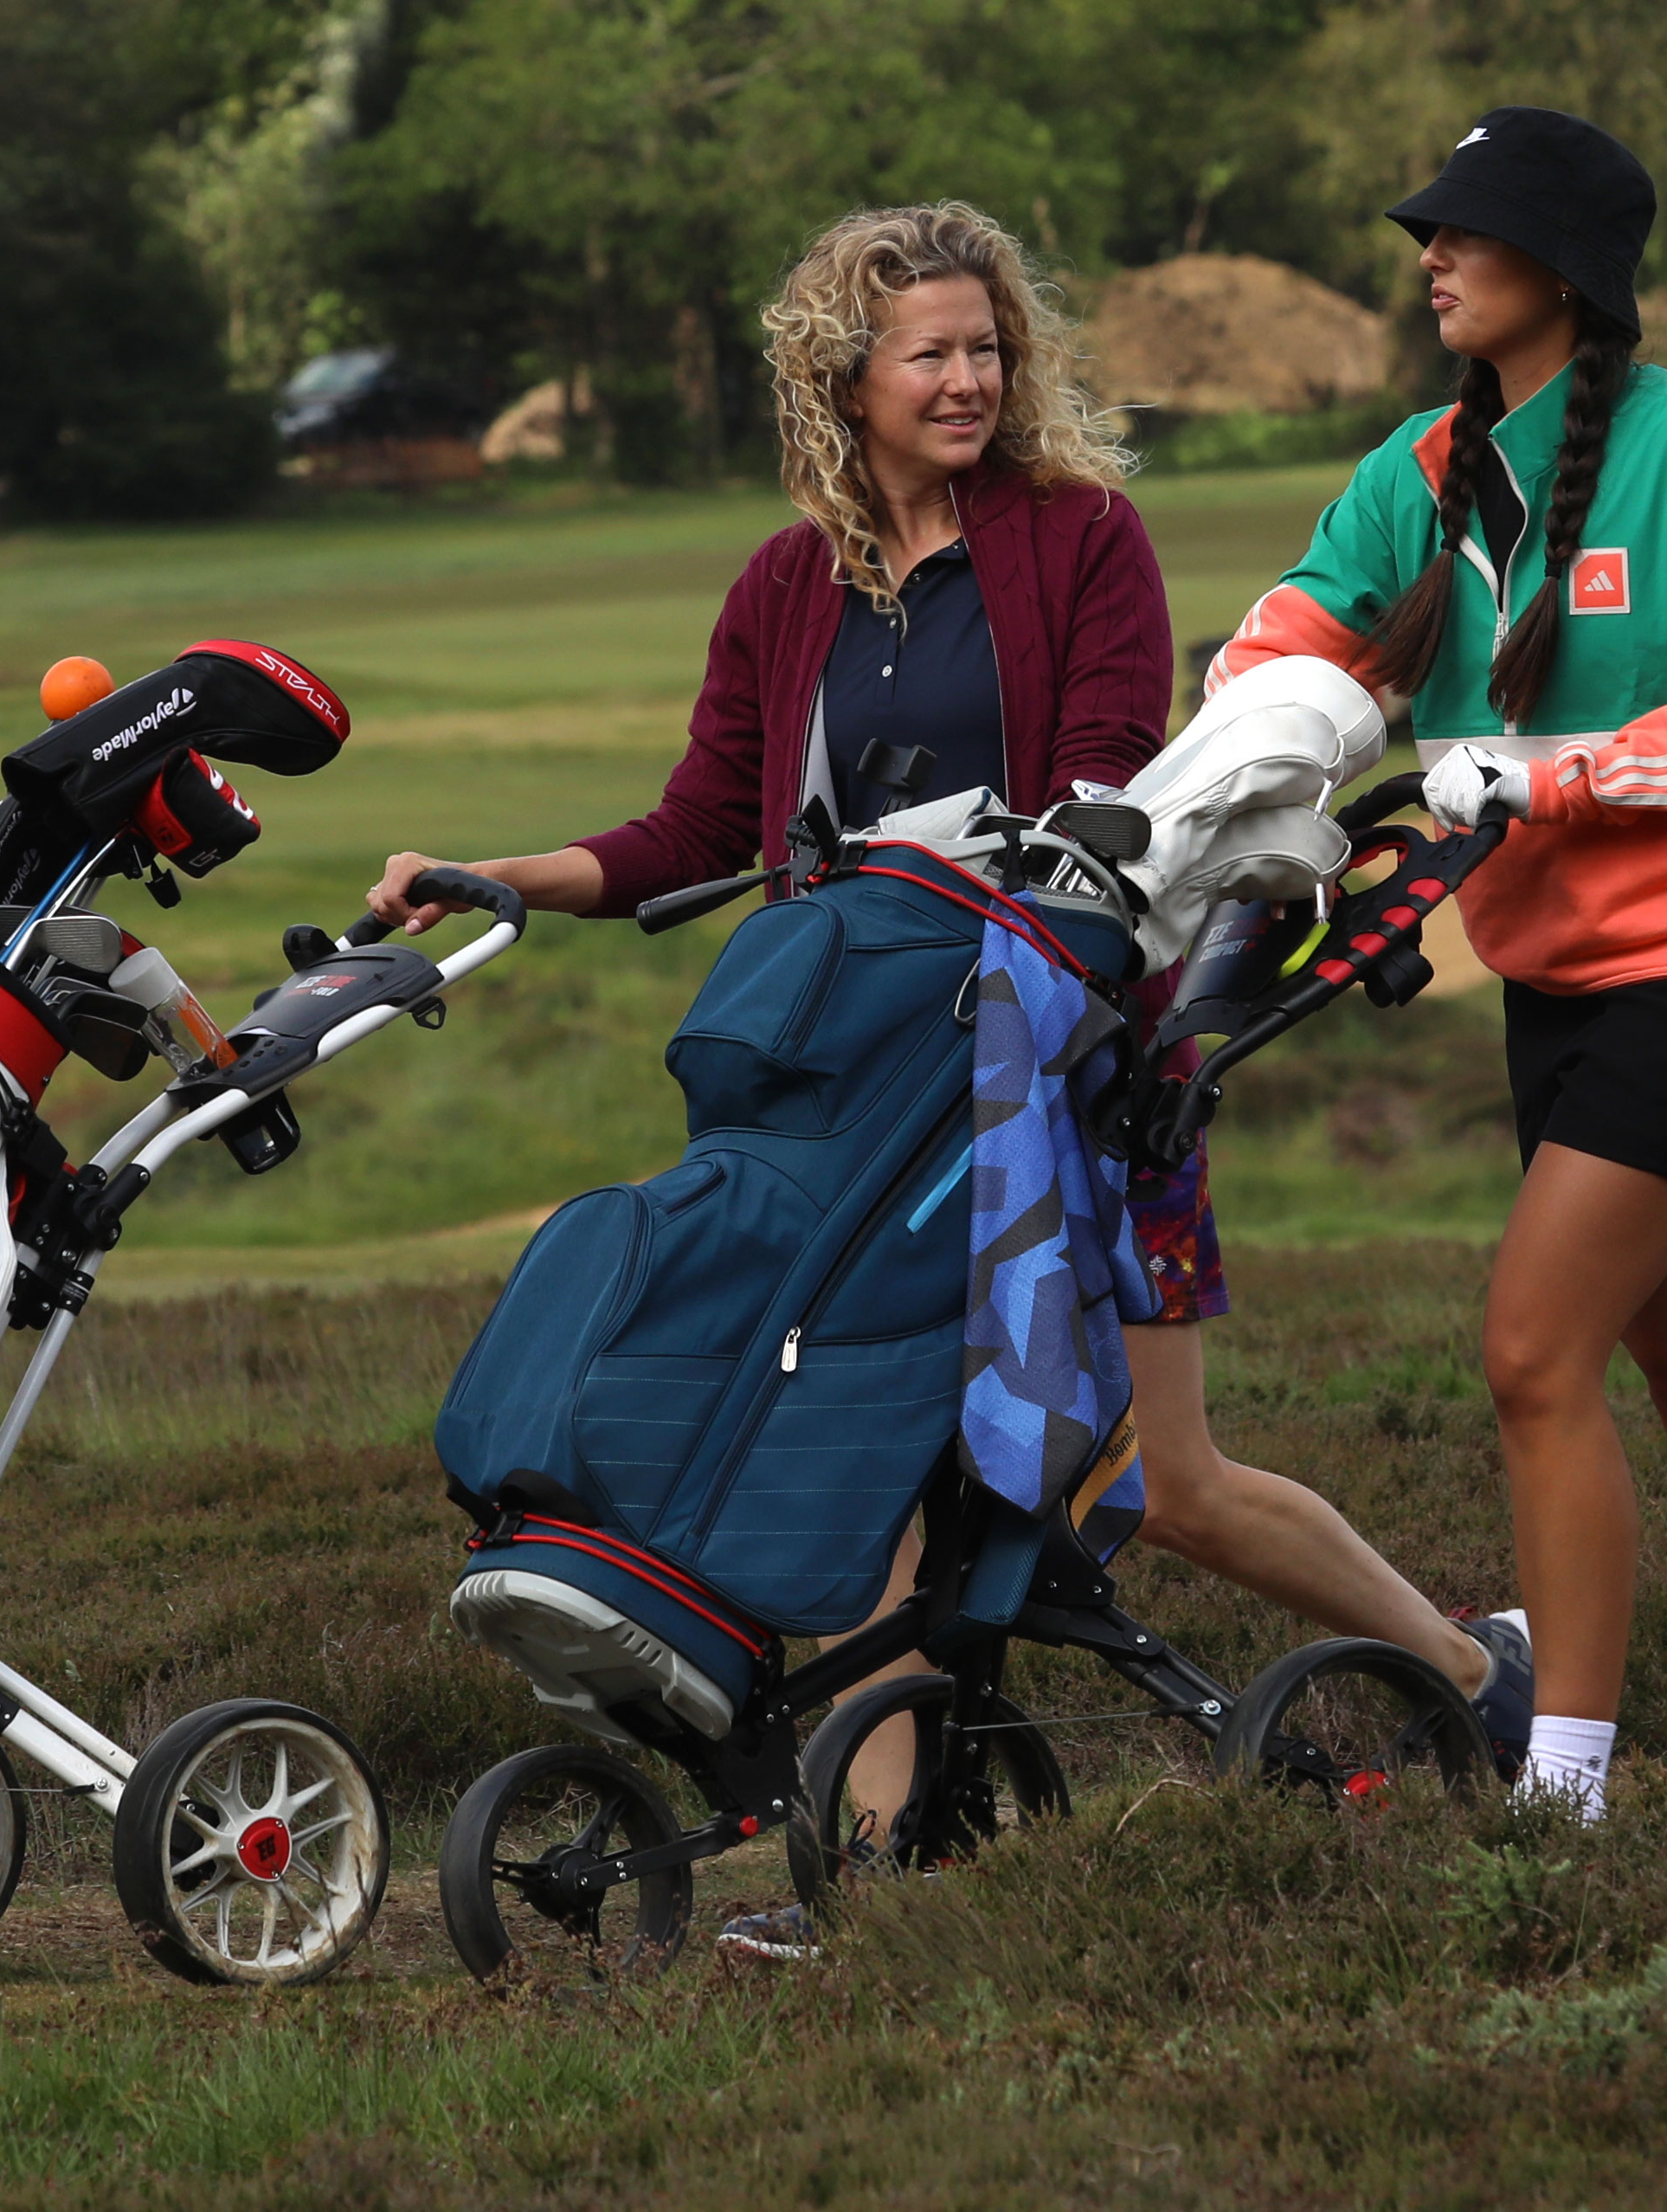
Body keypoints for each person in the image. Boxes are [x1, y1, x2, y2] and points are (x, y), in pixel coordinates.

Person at [366, 203, 1530, 1894]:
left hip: (1066, 1074)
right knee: (875, 1484)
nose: (969, 377)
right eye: (931, 352)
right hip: (854, 1094)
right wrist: (508, 876)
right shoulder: (784, 587)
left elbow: (1115, 793)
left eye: (988, 347)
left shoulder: (1079, 543)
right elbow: (696, 825)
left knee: (1167, 1483)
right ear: (846, 374)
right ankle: (894, 1869)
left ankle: (1484, 1683)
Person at [1207, 111, 1667, 1820]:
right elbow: (1292, 637)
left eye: (1466, 235)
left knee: (1530, 1353)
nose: (1432, 257)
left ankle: (1560, 1781)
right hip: (1565, 992)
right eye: (1428, 232)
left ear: (1560, 271)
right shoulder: (1417, 470)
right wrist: (1199, 776)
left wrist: (1539, 773)